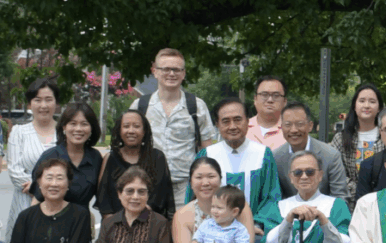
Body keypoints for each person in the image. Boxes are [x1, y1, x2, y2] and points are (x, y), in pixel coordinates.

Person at [132, 48, 218, 209]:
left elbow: (207, 150)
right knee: (147, 225)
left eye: (176, 69)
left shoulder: (196, 106)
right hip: (148, 185)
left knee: (185, 225)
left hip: (186, 187)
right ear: (154, 71)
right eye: (165, 69)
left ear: (183, 73)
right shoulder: (140, 106)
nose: (171, 74)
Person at [188, 98, 283, 227]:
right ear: (217, 124)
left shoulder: (262, 154)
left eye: (238, 120)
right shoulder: (207, 155)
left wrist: (255, 225)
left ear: (248, 121)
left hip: (254, 229)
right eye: (226, 121)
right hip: (212, 229)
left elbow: (271, 199)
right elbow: (194, 198)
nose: (232, 126)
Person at [4, 78, 59, 242]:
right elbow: (15, 172)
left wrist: (39, 187)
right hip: (25, 202)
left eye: (48, 99)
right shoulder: (18, 132)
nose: (43, 105)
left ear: (56, 102)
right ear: (29, 104)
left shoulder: (65, 132)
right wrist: (44, 189)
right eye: (37, 100)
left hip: (59, 204)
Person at [95, 110, 174, 219]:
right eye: (126, 126)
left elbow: (161, 197)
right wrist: (115, 224)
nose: (131, 131)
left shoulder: (157, 158)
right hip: (114, 223)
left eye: (136, 126)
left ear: (144, 131)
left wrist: (137, 222)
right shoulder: (110, 158)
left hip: (150, 222)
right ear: (119, 130)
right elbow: (103, 199)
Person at [29, 102, 103, 208]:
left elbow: (103, 196)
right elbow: (37, 198)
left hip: (82, 217)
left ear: (91, 128)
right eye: (73, 123)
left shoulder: (95, 158)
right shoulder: (49, 156)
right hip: (51, 217)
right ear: (64, 127)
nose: (78, 129)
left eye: (84, 124)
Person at [272, 101, 351, 199]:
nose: (294, 130)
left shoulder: (331, 155)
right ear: (281, 127)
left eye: (299, 124)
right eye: (288, 125)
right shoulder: (275, 157)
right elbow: (274, 198)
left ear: (310, 126)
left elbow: (340, 196)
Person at [333, 82, 385, 199]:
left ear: (379, 108)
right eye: (362, 101)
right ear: (354, 106)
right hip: (349, 200)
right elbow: (335, 172)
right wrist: (359, 190)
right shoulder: (340, 138)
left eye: (372, 102)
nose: (366, 106)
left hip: (382, 200)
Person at [248, 76, 288, 150]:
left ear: (285, 101)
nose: (270, 100)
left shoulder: (291, 131)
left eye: (276, 95)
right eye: (264, 94)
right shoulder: (242, 129)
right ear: (255, 99)